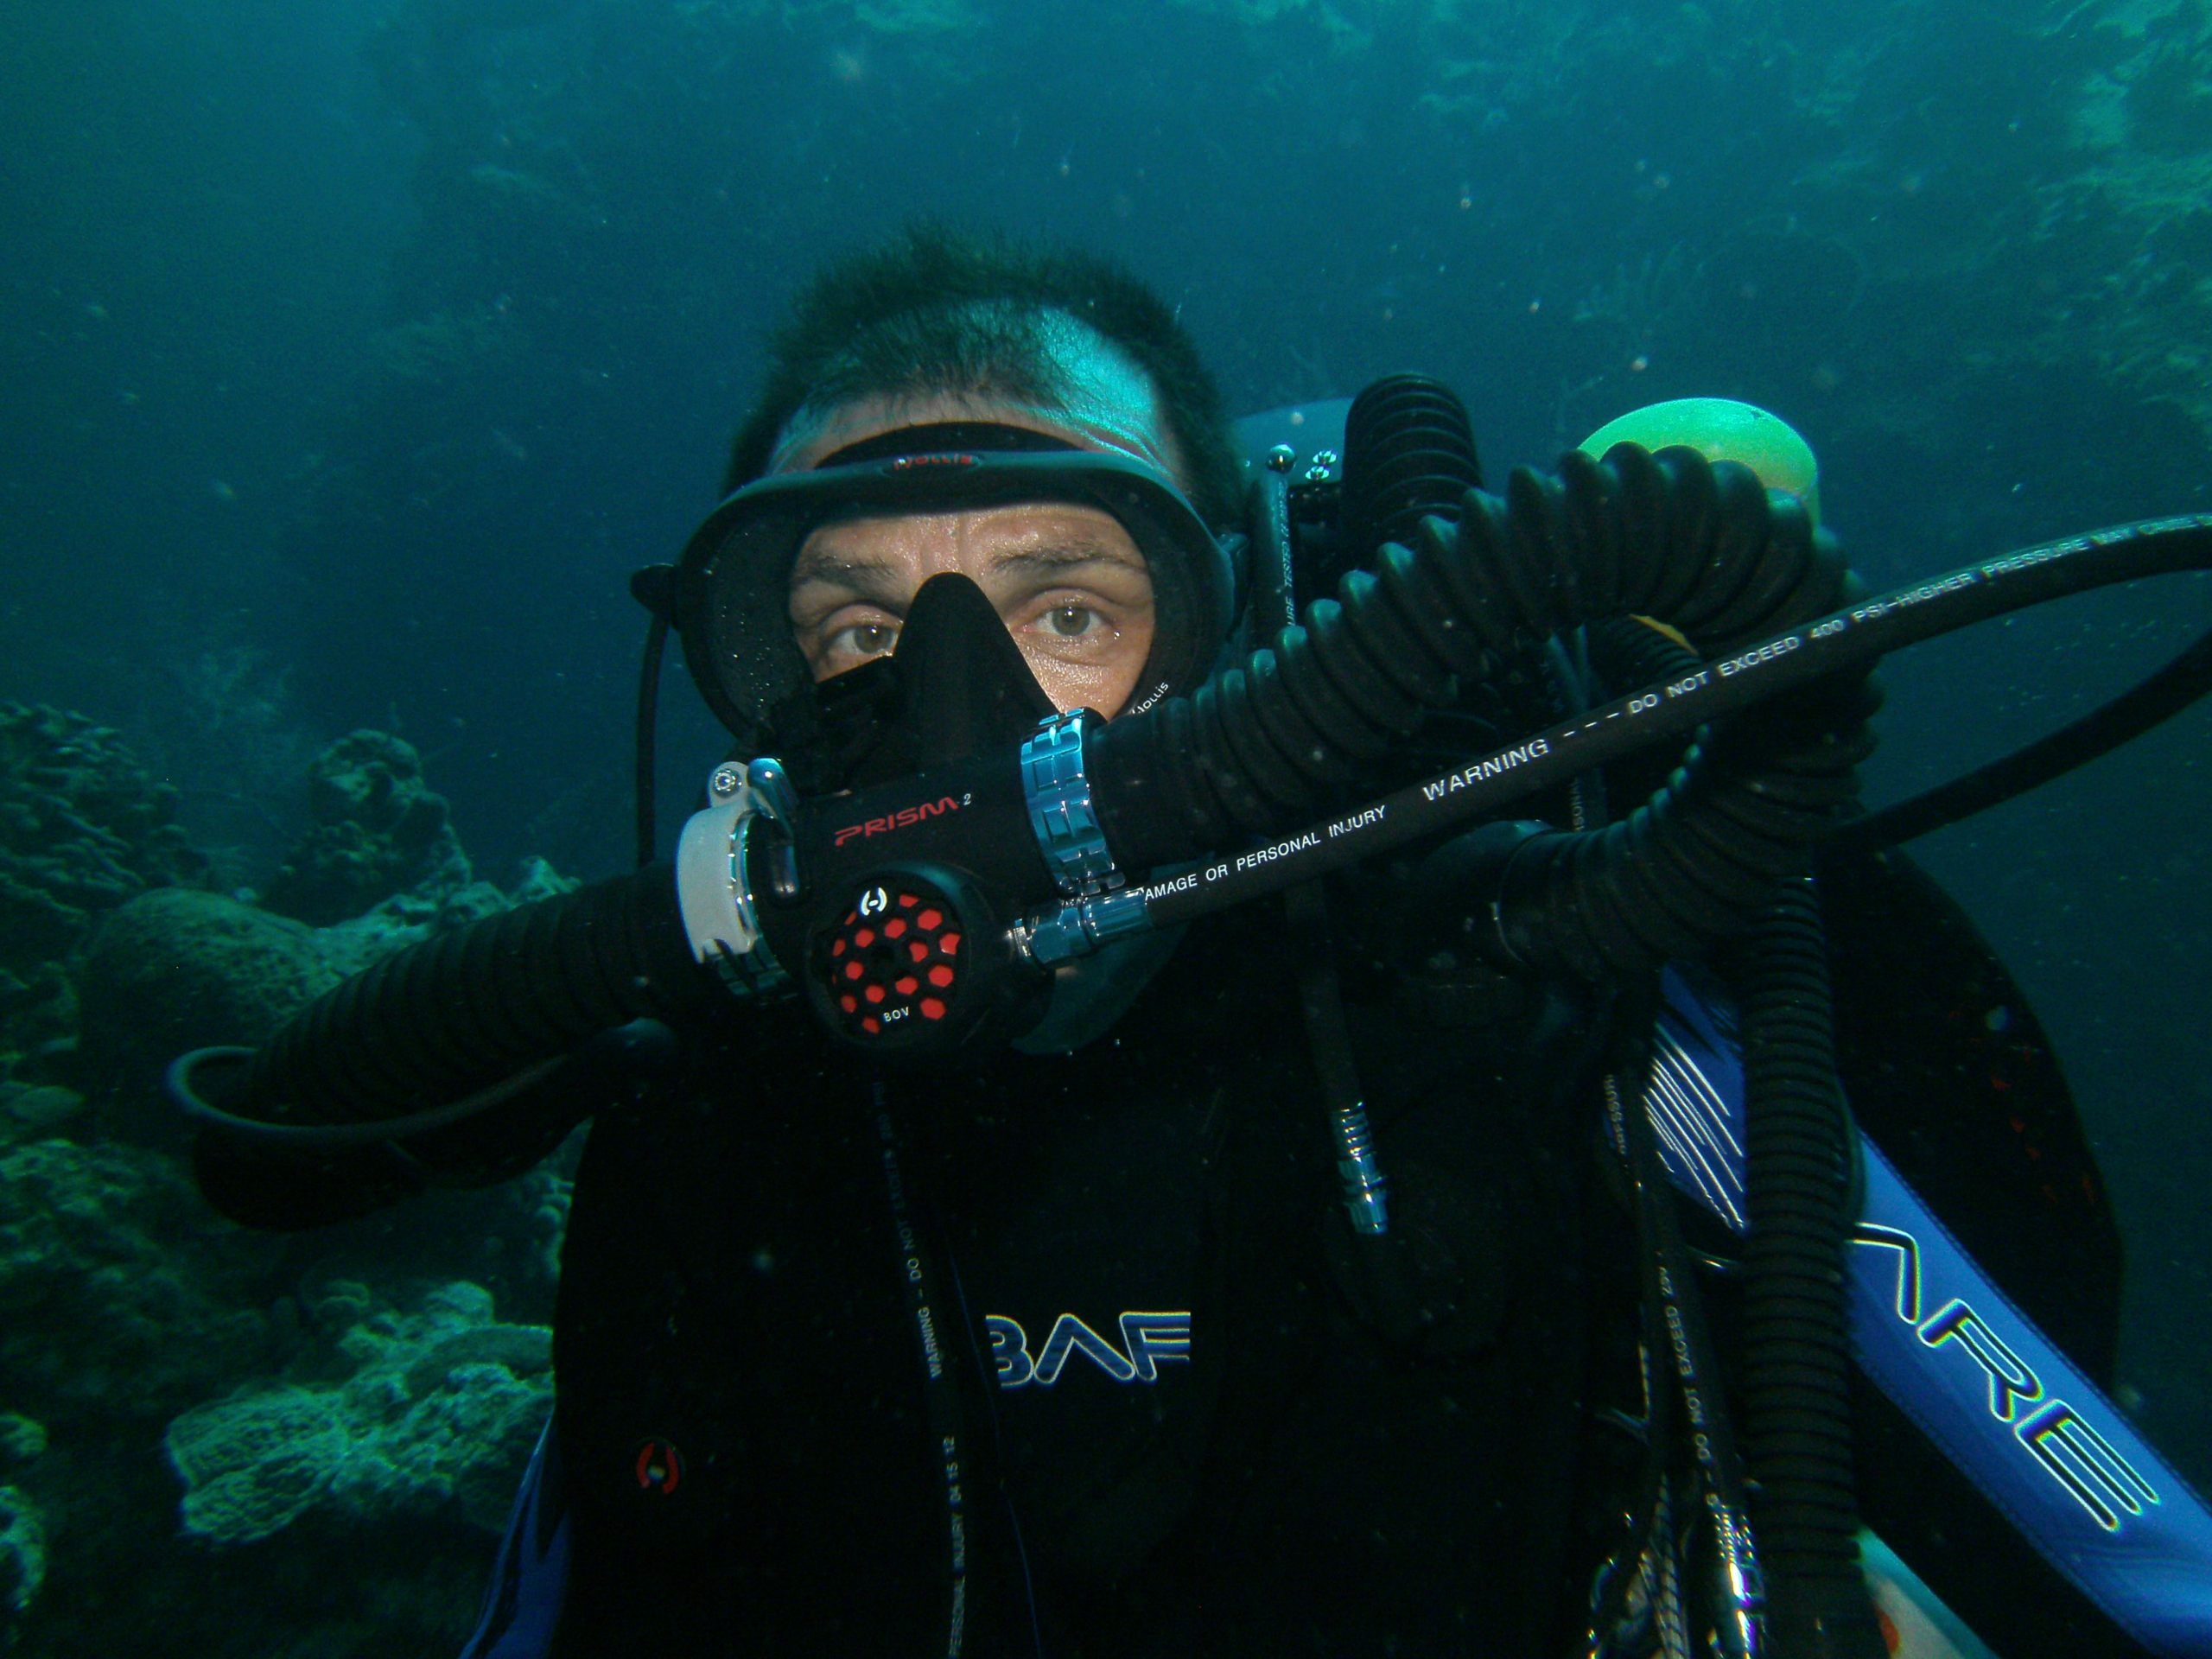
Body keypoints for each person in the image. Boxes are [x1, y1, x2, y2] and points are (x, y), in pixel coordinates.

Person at [188, 226, 2152, 1658]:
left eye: (1063, 608)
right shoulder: (715, 1120)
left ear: (1249, 626)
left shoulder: (1550, 972)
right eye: (856, 631)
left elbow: (2120, 1560)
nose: (950, 718)